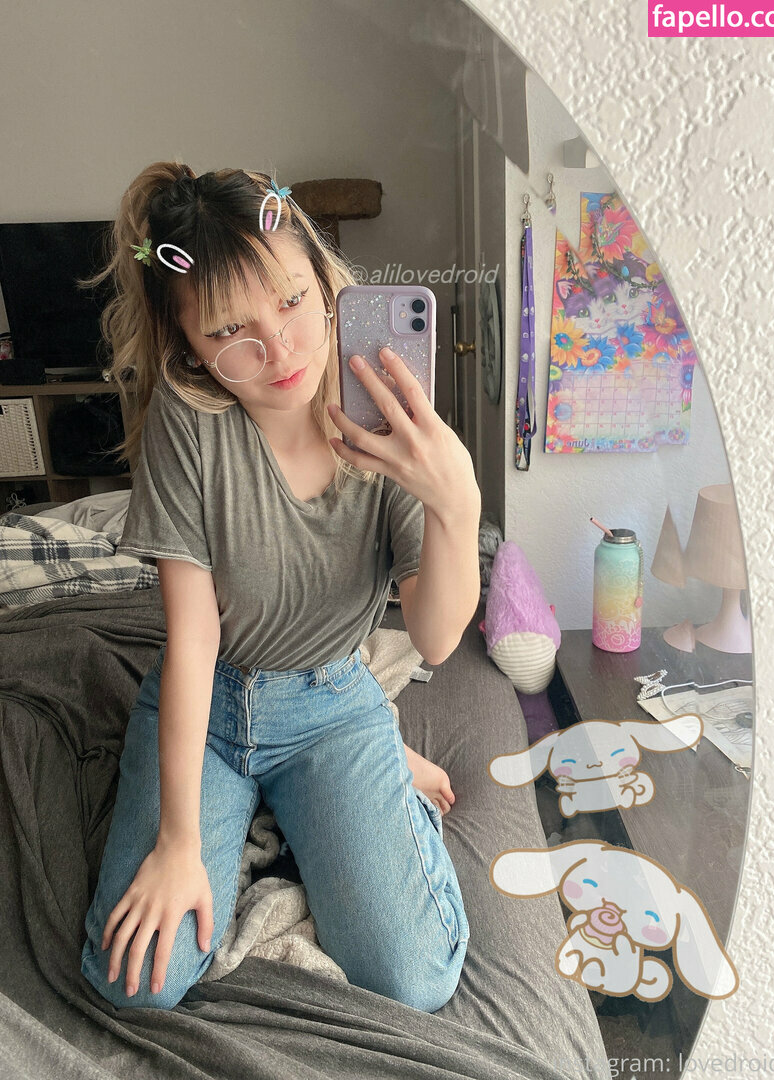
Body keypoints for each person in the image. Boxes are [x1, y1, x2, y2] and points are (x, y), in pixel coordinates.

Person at [79, 162, 482, 1013]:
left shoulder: (382, 409)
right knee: (136, 982)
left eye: (294, 301)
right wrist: (179, 843)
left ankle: (380, 764)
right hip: (212, 703)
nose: (280, 349)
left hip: (332, 701)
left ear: (325, 280)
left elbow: (437, 639)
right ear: (187, 341)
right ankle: (289, 794)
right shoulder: (188, 420)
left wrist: (457, 504)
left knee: (414, 978)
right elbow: (194, 639)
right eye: (232, 330)